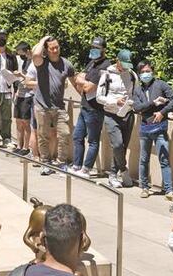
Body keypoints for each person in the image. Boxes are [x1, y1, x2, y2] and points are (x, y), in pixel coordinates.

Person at [32, 35, 81, 175]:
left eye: (57, 47)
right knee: (43, 136)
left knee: (65, 134)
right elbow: (35, 53)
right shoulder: (42, 63)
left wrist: (84, 97)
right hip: (42, 106)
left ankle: (61, 163)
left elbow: (74, 81)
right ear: (46, 50)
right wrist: (43, 39)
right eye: (52, 48)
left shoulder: (66, 64)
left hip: (59, 107)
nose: (55, 50)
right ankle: (46, 163)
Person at [132, 60, 173, 199]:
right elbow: (137, 108)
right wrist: (153, 103)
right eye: (142, 72)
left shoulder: (161, 84)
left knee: (164, 159)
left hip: (160, 129)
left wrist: (162, 112)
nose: (145, 74)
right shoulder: (137, 89)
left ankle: (169, 190)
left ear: (152, 71)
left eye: (148, 71)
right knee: (143, 159)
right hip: (145, 129)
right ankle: (144, 187)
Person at [96, 49, 139, 188]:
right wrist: (115, 101)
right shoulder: (107, 75)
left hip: (127, 114)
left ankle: (113, 174)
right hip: (111, 114)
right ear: (117, 61)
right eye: (124, 63)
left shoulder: (132, 75)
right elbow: (99, 97)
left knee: (123, 147)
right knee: (117, 144)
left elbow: (136, 93)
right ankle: (124, 170)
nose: (126, 66)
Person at [71, 36, 111, 178]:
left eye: (97, 48)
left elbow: (88, 87)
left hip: (95, 109)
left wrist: (84, 81)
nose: (94, 50)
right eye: (93, 47)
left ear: (103, 50)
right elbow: (77, 79)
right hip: (84, 106)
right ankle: (76, 166)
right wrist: (84, 80)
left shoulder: (105, 65)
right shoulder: (92, 63)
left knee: (93, 141)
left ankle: (86, 169)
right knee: (77, 137)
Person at [12, 41, 36, 157]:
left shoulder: (34, 62)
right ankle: (19, 145)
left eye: (22, 53)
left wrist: (21, 76)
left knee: (26, 122)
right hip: (20, 93)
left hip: (28, 94)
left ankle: (26, 146)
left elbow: (31, 78)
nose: (21, 56)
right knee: (18, 120)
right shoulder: (25, 61)